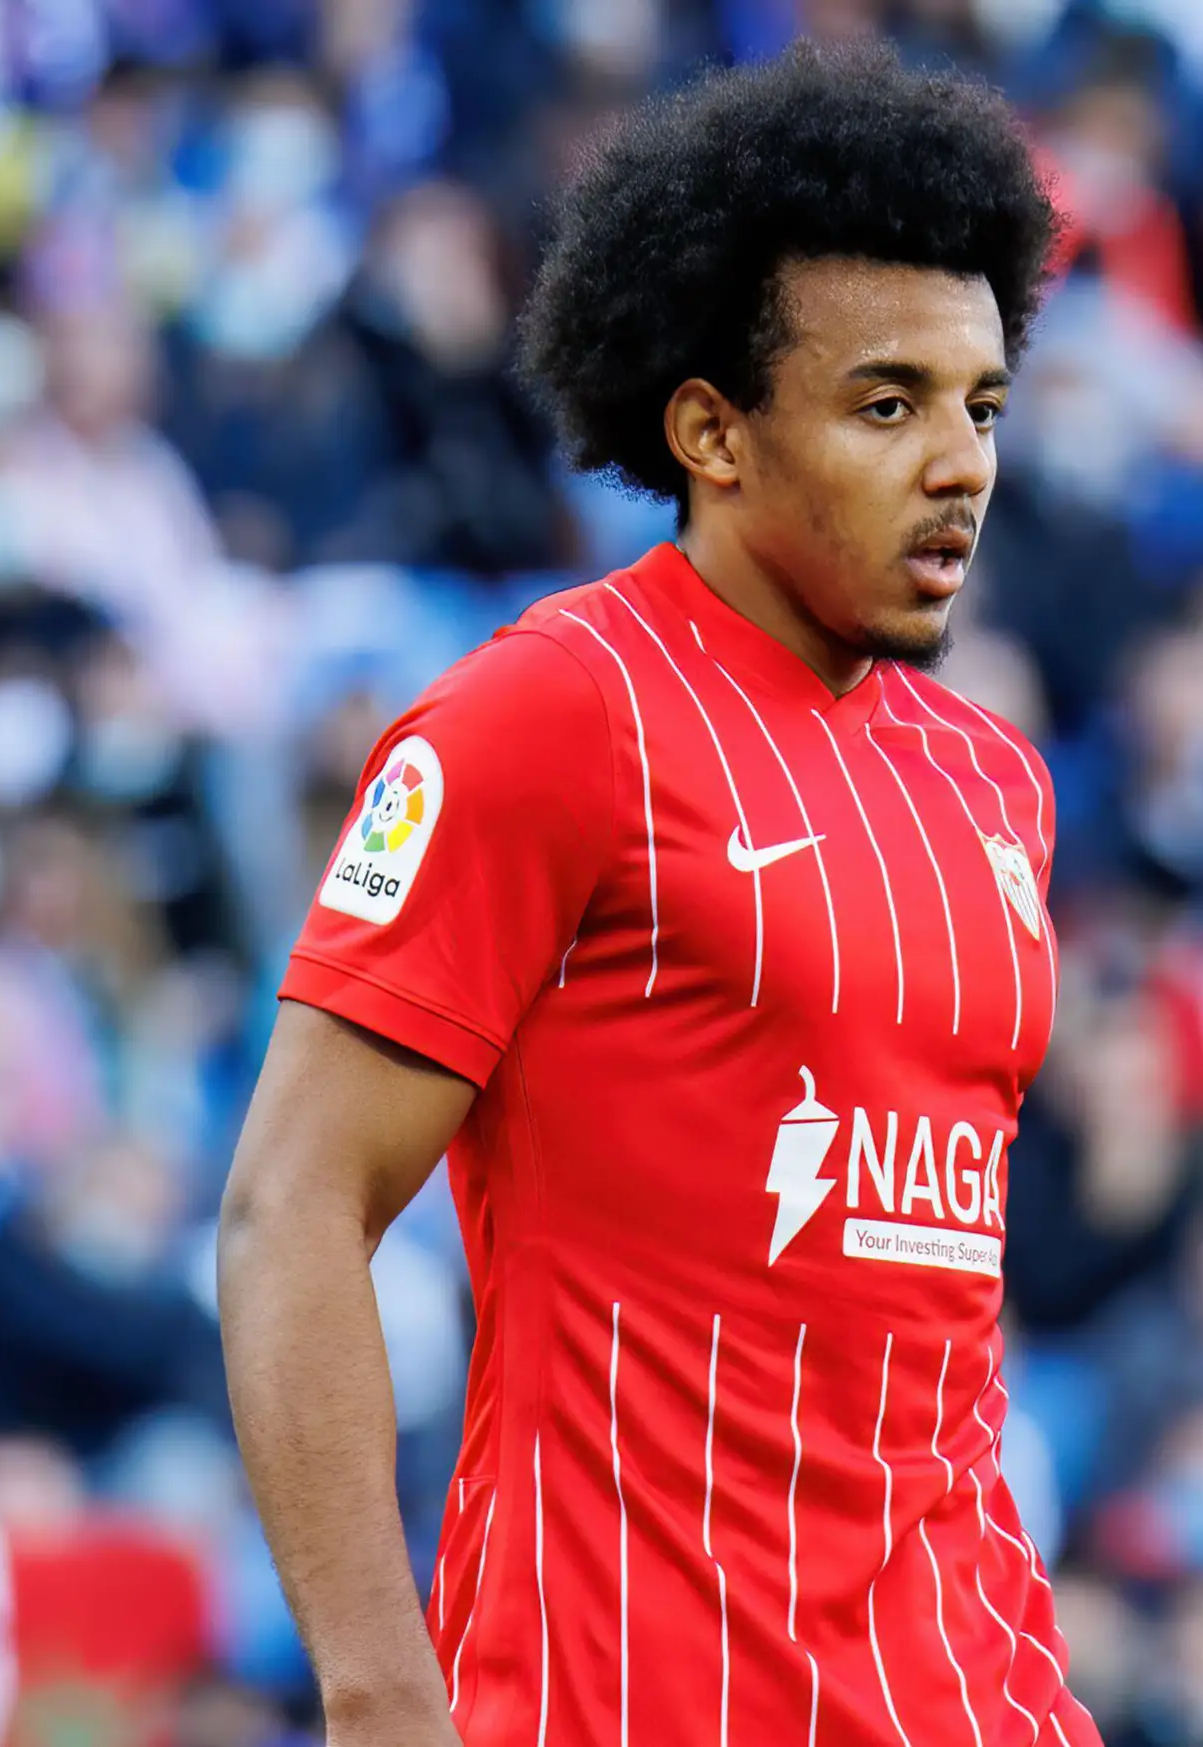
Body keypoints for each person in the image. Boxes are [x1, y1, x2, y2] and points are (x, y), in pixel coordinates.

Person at [217, 41, 1091, 1747]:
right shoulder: (548, 716)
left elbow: (920, 1329)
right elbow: (290, 1210)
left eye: (980, 406)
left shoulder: (995, 782)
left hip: (970, 1697)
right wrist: (381, 1694)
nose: (959, 463)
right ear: (710, 431)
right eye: (887, 404)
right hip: (620, 1697)